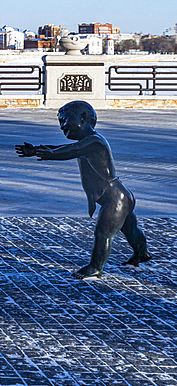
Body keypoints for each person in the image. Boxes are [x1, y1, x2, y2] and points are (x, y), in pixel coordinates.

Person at [15, 100, 151, 279]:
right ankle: (142, 253)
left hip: (114, 198)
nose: (63, 126)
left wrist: (49, 155)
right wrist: (37, 150)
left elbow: (71, 150)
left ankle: (95, 267)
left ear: (83, 118)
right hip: (119, 195)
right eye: (60, 123)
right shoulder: (87, 142)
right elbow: (65, 148)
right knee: (131, 229)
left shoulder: (95, 142)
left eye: (65, 120)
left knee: (103, 233)